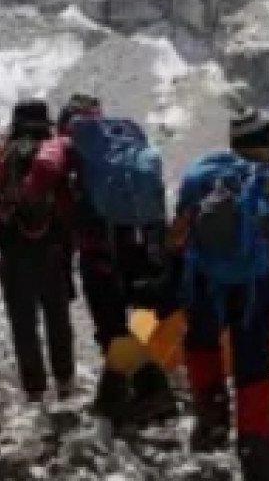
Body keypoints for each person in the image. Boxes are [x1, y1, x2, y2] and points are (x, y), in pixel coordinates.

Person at [171, 110, 269, 481]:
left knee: (202, 343)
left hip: (206, 281)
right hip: (258, 287)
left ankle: (210, 423)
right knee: (253, 364)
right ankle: (257, 454)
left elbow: (178, 234)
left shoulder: (203, 178)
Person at [58, 93, 177, 426]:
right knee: (115, 325)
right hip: (137, 246)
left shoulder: (74, 149)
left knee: (111, 327)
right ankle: (112, 396)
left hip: (100, 252)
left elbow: (66, 202)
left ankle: (152, 388)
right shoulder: (125, 139)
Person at [0, 99, 78, 403]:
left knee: (23, 318)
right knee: (57, 314)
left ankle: (34, 390)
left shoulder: (3, 150)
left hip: (13, 243)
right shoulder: (56, 150)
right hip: (53, 242)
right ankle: (66, 383)